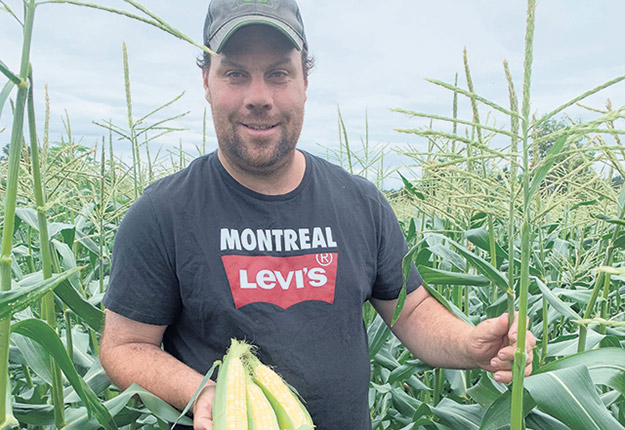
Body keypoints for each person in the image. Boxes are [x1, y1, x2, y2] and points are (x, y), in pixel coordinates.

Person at [99, 0, 536, 429]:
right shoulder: (161, 213)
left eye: (278, 74)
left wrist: (470, 344)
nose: (258, 97)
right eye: (235, 74)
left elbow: (413, 310)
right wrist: (205, 394)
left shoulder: (361, 203)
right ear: (206, 82)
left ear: (305, 79)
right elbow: (124, 347)